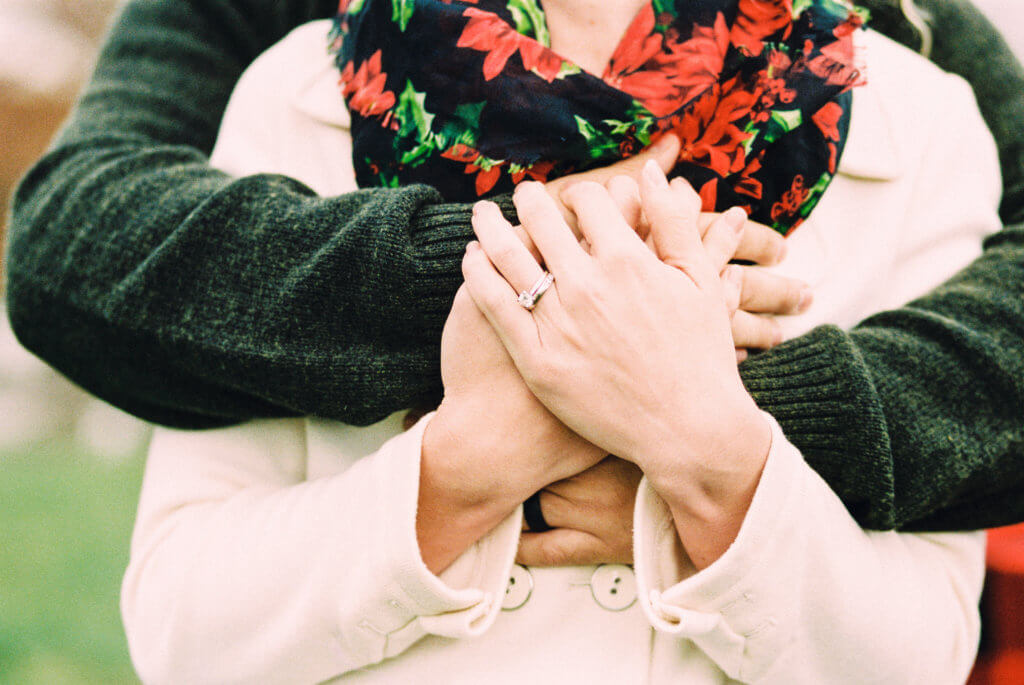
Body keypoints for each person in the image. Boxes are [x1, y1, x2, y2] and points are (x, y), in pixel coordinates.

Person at [120, 2, 994, 681]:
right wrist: (461, 472)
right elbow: (179, 625)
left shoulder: (919, 126)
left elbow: (922, 656)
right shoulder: (295, 96)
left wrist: (705, 465)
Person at [6, 0, 1023, 534]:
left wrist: (724, 425)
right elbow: (72, 241)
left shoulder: (897, 40)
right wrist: (528, 280)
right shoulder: (282, 46)